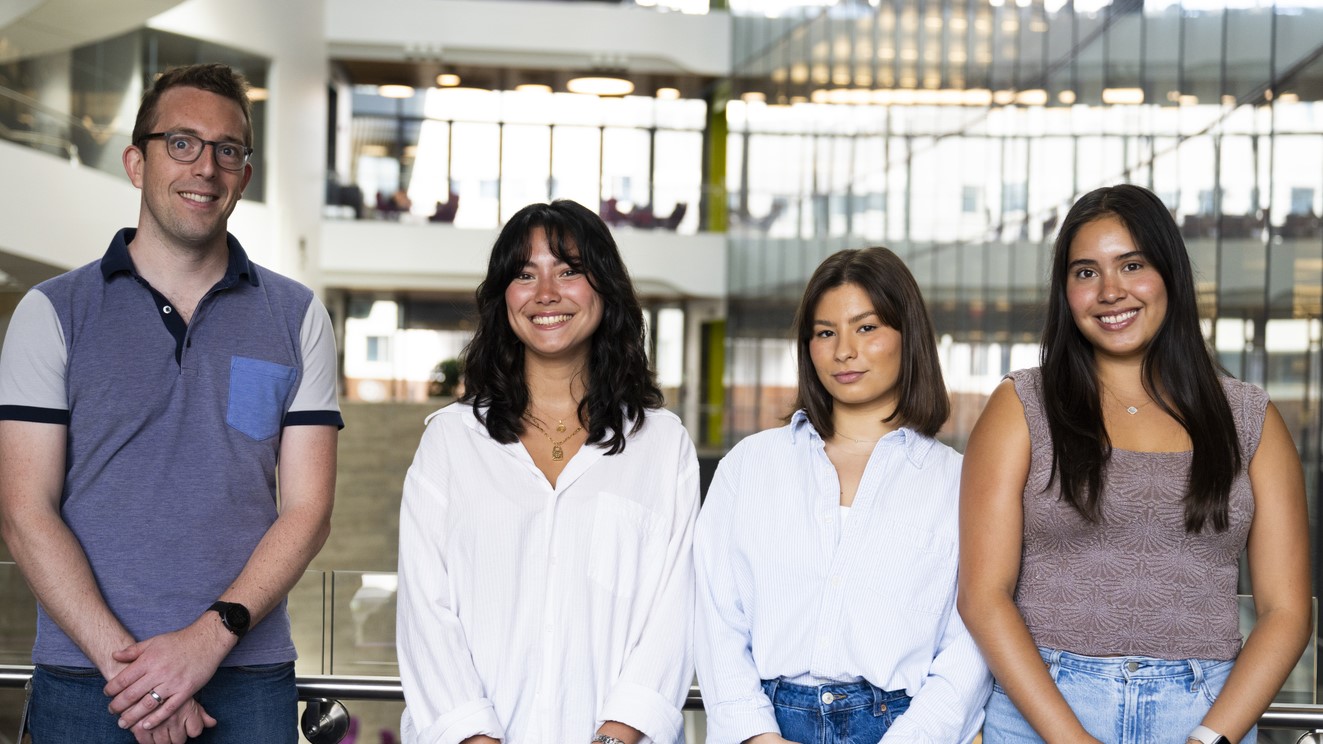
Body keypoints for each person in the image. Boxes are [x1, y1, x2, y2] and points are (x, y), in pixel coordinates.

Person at [0, 63, 342, 743]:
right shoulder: (52, 312)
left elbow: (307, 510)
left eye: (227, 150)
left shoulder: (298, 316)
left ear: (244, 175)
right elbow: (22, 512)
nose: (205, 168)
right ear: (136, 161)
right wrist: (140, 675)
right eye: (181, 143)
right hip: (88, 680)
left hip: (245, 678)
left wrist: (204, 644)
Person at [959, 184, 1311, 744]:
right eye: (1085, 272)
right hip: (1043, 713)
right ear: (1065, 292)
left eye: (1132, 264)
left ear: (1169, 273)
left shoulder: (1249, 418)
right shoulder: (1022, 406)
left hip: (1206, 711)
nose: (1110, 291)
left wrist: (1208, 739)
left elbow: (1287, 610)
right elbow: (983, 596)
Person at [396, 199, 699, 744]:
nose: (546, 294)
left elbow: (677, 607)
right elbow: (424, 610)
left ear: (605, 288)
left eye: (569, 271)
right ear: (502, 298)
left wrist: (617, 735)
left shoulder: (662, 445)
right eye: (524, 274)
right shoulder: (450, 441)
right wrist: (474, 736)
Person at [695, 247, 992, 744]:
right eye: (825, 332)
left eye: (867, 327)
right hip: (767, 723)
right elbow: (715, 617)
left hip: (902, 726)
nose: (843, 351)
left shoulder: (958, 483)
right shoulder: (750, 466)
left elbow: (970, 647)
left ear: (908, 335)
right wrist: (756, 735)